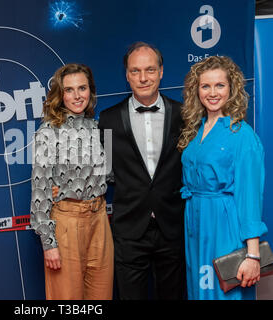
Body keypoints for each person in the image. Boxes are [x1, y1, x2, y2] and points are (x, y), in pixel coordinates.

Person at [98, 41, 186, 299]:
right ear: (127, 75)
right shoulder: (108, 119)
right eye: (135, 71)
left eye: (149, 70)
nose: (143, 77)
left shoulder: (184, 115)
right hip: (129, 230)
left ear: (160, 71)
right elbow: (104, 170)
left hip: (172, 226)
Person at [178, 55, 268, 300]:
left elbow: (249, 197)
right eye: (205, 86)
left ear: (232, 88)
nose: (212, 92)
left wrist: (252, 255)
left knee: (223, 294)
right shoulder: (195, 131)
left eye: (220, 85)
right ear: (196, 90)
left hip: (225, 225)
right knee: (199, 292)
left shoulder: (241, 134)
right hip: (196, 223)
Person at [30, 63, 114, 300]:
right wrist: (49, 243)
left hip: (99, 220)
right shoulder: (47, 132)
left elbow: (110, 174)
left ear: (91, 91)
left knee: (101, 296)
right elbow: (40, 191)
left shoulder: (99, 128)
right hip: (66, 222)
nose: (77, 96)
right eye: (69, 90)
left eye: (82, 88)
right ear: (60, 94)